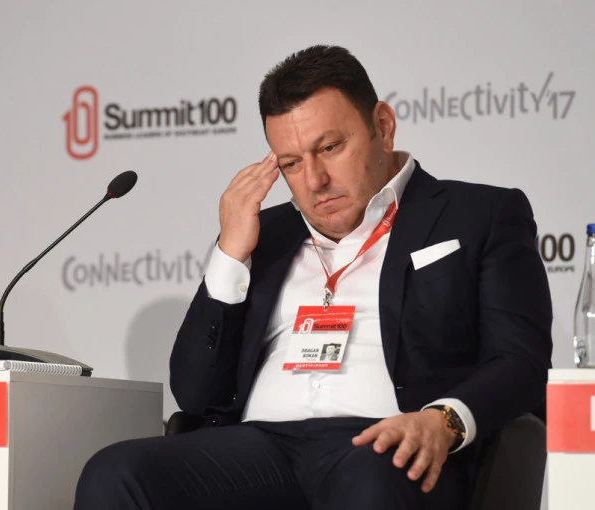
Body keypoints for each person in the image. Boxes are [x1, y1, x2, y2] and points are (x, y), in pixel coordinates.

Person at [74, 45, 552, 510]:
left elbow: (521, 361)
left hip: (387, 443)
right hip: (261, 450)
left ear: (383, 127)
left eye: (330, 147)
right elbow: (196, 395)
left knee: (372, 476)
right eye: (291, 163)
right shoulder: (263, 235)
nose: (315, 180)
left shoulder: (480, 215)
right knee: (115, 472)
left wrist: (443, 419)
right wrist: (230, 254)